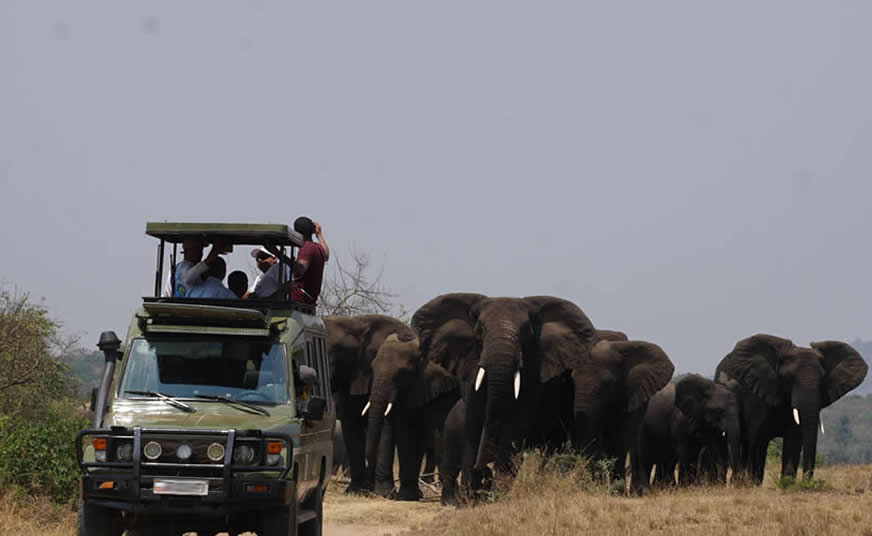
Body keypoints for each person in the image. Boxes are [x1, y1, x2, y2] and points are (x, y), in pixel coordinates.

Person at [161, 238, 231, 297]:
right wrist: (211, 256)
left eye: (201, 250)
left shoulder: (178, 270)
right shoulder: (182, 267)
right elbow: (188, 278)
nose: (201, 253)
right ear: (187, 250)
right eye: (197, 249)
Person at [290, 217, 328, 304]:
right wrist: (319, 234)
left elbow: (299, 270)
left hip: (299, 297)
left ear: (296, 232)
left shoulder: (307, 248)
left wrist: (279, 255)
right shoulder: (317, 247)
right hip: (310, 297)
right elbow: (326, 255)